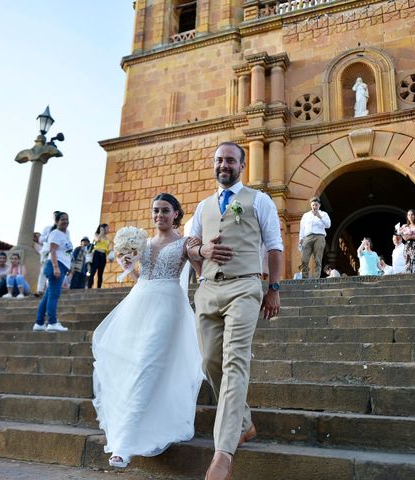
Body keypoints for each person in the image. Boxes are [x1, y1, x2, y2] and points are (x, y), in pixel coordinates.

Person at [186, 142, 284, 480]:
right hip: (208, 290)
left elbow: (274, 246)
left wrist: (273, 289)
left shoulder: (259, 200)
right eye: (219, 159)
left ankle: (223, 454)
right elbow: (188, 244)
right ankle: (243, 422)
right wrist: (203, 248)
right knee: (210, 360)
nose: (223, 164)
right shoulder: (202, 206)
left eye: (230, 159)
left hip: (245, 286)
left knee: (234, 361)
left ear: (242, 165)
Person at [92, 193, 204, 469]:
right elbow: (142, 276)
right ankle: (129, 431)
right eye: (155, 211)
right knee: (133, 365)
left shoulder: (184, 243)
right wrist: (129, 267)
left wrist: (199, 256)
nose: (159, 215)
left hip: (168, 305)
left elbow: (201, 273)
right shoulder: (145, 243)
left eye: (165, 210)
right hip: (139, 304)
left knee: (148, 364)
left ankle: (123, 446)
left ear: (176, 214)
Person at [33, 211, 72, 332]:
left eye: (67, 219)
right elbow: (53, 251)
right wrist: (56, 267)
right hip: (56, 265)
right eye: (62, 219)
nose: (65, 221)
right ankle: (52, 322)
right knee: (54, 296)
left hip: (61, 265)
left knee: (47, 296)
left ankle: (39, 323)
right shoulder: (56, 233)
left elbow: (65, 252)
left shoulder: (64, 234)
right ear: (56, 222)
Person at [298, 197, 331, 279]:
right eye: (313, 205)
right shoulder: (306, 215)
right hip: (307, 237)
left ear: (319, 205)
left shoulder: (323, 214)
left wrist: (319, 216)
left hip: (319, 237)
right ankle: (304, 278)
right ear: (311, 205)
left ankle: (316, 278)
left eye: (316, 205)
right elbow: (302, 227)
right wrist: (301, 239)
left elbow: (328, 225)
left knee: (317, 259)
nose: (314, 206)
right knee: (304, 259)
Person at [36, 211, 60, 296]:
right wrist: (50, 236)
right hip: (46, 251)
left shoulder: (63, 230)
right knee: (43, 271)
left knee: (54, 271)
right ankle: (39, 290)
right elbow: (40, 239)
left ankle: (50, 289)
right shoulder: (48, 228)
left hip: (57, 253)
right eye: (55, 216)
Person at [89, 224, 111, 289]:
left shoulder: (107, 238)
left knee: (100, 273)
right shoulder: (96, 234)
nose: (108, 230)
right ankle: (90, 287)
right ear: (103, 228)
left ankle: (98, 288)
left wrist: (110, 251)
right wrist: (101, 232)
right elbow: (97, 240)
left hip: (103, 255)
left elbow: (106, 249)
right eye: (107, 228)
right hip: (97, 254)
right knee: (93, 271)